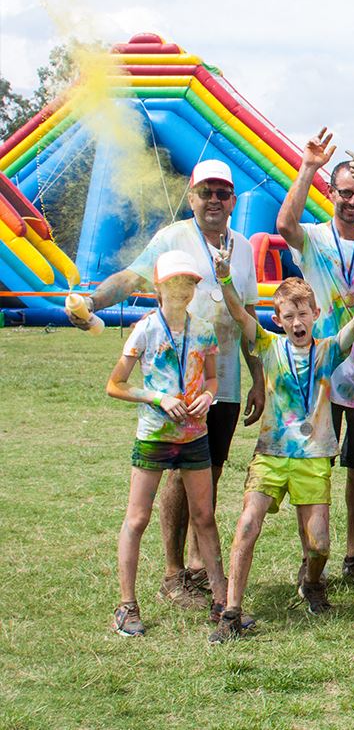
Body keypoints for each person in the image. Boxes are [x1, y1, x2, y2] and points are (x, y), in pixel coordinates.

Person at [74, 159, 264, 610]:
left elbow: (249, 316)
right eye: (205, 192)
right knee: (178, 476)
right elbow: (131, 279)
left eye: (222, 193)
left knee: (209, 469)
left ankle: (198, 567)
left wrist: (259, 379)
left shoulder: (242, 249)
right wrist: (93, 301)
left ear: (233, 200)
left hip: (222, 383)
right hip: (175, 387)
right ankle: (174, 572)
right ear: (192, 197)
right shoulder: (172, 238)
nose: (214, 200)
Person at [209, 244, 354, 643]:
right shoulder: (268, 348)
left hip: (314, 457)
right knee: (248, 525)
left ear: (315, 315)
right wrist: (224, 277)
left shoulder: (327, 352)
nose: (297, 320)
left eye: (304, 313)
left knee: (319, 542)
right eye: (289, 315)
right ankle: (232, 611)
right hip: (271, 455)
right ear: (279, 319)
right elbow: (239, 314)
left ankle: (312, 581)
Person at [277, 132, 354, 582]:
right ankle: (313, 556)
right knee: (314, 463)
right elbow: (284, 223)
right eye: (345, 192)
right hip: (319, 371)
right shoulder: (312, 238)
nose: (351, 201)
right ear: (331, 192)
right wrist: (308, 166)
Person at [106, 251, 227, 636]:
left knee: (204, 518)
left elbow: (211, 381)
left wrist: (208, 397)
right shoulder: (145, 329)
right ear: (158, 287)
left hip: (195, 436)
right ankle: (126, 606)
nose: (181, 289)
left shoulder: (204, 329)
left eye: (188, 282)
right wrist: (158, 399)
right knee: (137, 517)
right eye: (174, 282)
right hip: (155, 437)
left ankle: (224, 603)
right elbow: (115, 385)